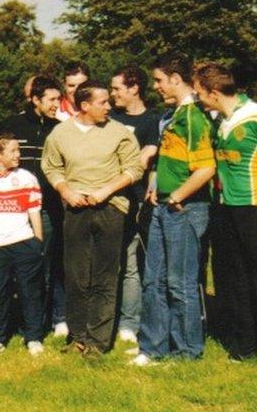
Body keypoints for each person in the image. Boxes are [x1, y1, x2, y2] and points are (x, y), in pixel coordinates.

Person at [41, 81, 143, 356]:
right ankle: (79, 338)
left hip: (110, 209)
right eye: (103, 102)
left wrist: (106, 191)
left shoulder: (119, 132)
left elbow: (135, 168)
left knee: (104, 277)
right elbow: (50, 166)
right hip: (75, 209)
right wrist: (66, 190)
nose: (109, 106)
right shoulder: (60, 133)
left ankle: (98, 342)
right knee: (76, 275)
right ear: (84, 105)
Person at [130, 54, 215, 367]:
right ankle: (152, 347)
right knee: (154, 280)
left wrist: (178, 195)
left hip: (185, 208)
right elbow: (168, 159)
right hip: (163, 205)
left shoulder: (195, 117)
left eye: (159, 80)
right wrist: (154, 183)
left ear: (176, 79)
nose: (155, 87)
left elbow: (205, 168)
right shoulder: (170, 116)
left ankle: (186, 352)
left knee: (180, 283)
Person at [193, 62, 257, 360]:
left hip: (252, 208)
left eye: (200, 93)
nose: (197, 98)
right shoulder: (219, 121)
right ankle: (243, 343)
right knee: (232, 276)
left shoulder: (253, 116)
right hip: (224, 208)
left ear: (214, 92)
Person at [0, 76, 66, 335]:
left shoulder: (60, 129)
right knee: (12, 270)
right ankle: (11, 322)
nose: (56, 105)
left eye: (58, 99)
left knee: (43, 268)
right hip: (13, 212)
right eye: (51, 100)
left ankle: (41, 323)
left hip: (47, 211)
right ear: (36, 100)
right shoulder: (11, 126)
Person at [0, 134, 46, 357]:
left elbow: (34, 210)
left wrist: (38, 241)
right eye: (12, 151)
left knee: (30, 291)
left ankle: (33, 337)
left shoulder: (27, 178)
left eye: (18, 150)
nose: (18, 155)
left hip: (24, 241)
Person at [110, 65, 162, 343]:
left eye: (117, 88)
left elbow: (143, 161)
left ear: (134, 89)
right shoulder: (110, 118)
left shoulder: (152, 121)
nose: (113, 94)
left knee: (133, 264)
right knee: (113, 263)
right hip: (110, 200)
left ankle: (130, 323)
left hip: (137, 201)